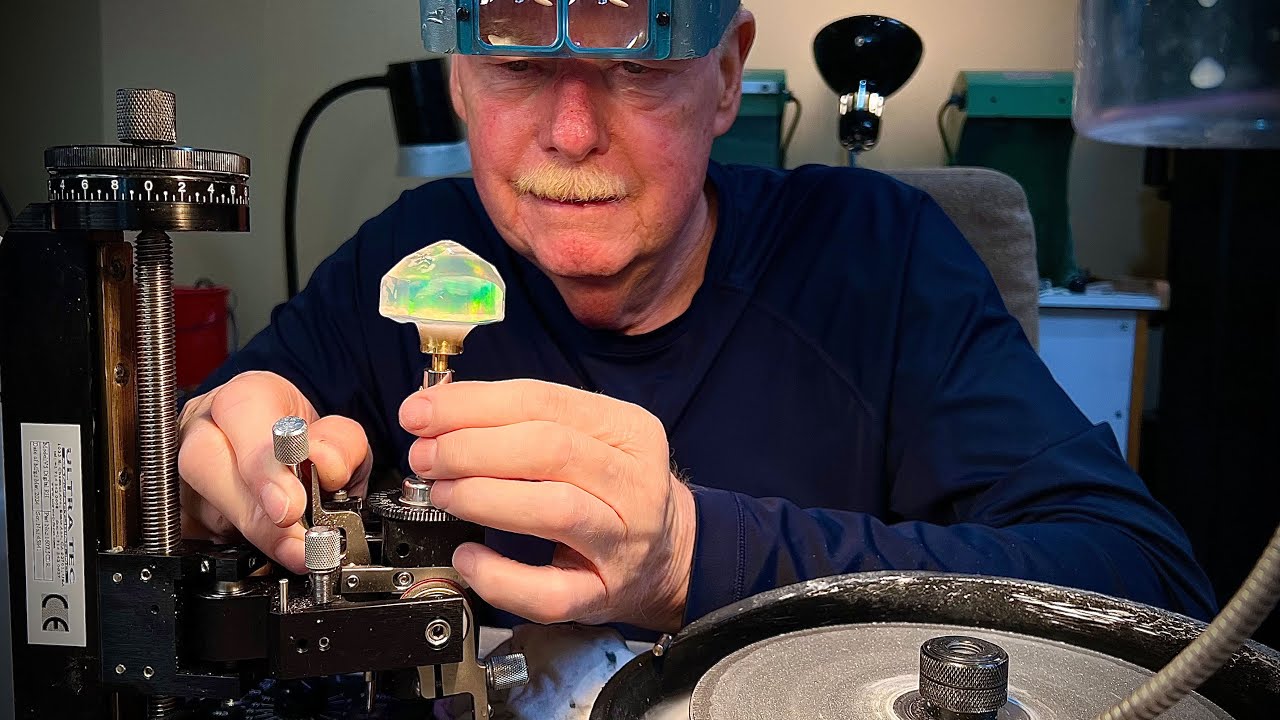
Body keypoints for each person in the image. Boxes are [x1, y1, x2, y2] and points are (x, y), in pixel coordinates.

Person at [178, 3, 1216, 640]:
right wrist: (221, 470)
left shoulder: (878, 259)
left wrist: (690, 556)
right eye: (518, 67)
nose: (571, 133)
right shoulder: (411, 260)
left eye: (635, 65)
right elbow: (223, 457)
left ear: (724, 75)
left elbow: (1149, 586)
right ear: (458, 76)